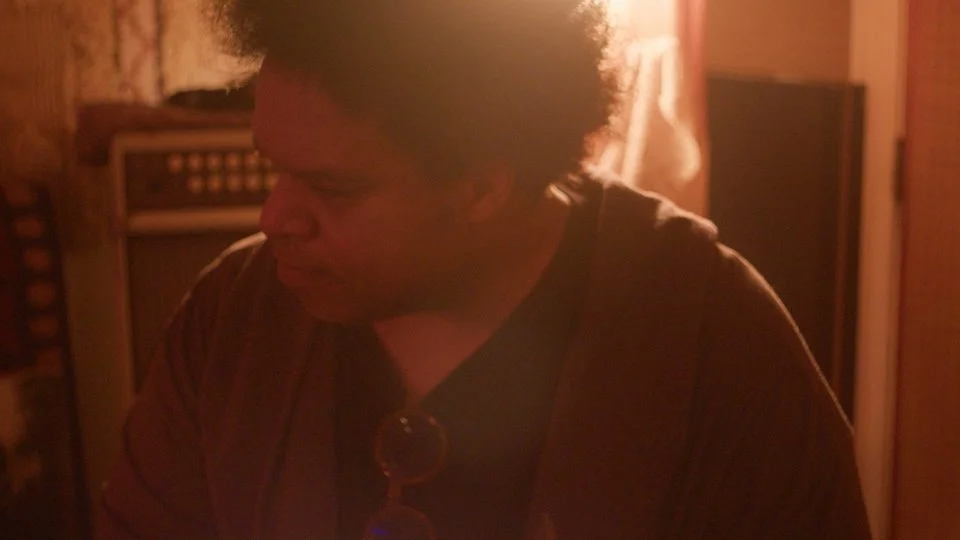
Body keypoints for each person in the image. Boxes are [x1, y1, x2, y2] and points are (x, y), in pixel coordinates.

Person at [97, 1, 872, 538]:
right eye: (274, 168)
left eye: (333, 189)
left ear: (483, 187)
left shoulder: (713, 342)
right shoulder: (232, 319)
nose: (275, 219)